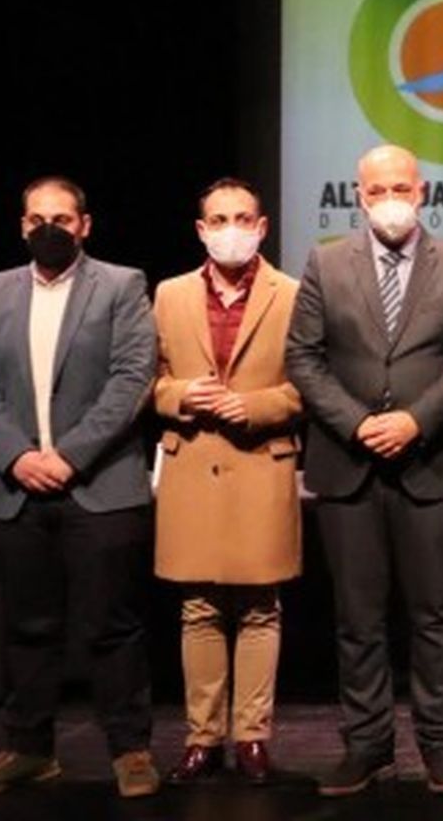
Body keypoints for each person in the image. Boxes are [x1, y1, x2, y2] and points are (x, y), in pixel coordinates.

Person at [284, 144, 443, 797]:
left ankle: (440, 746)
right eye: (378, 189)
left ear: (421, 191)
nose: (391, 197)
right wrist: (357, 422)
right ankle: (366, 746)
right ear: (359, 196)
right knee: (358, 618)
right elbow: (304, 357)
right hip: (349, 465)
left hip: (430, 461)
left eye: (402, 186)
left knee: (436, 615)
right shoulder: (324, 261)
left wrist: (415, 420)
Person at [0, 177, 160, 799]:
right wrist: (17, 455)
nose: (51, 228)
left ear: (85, 226)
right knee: (27, 626)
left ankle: (130, 751)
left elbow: (132, 379)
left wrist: (68, 457)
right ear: (22, 226)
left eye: (63, 219)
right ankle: (27, 748)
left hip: (98, 486)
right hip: (16, 488)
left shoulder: (122, 285)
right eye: (38, 218)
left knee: (111, 626)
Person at [151, 178, 304, 786]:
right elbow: (146, 378)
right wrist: (179, 394)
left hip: (260, 459)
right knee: (199, 607)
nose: (231, 228)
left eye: (243, 218)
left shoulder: (292, 295)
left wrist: (261, 406)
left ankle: (252, 737)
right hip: (192, 461)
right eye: (219, 219)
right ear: (201, 229)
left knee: (261, 606)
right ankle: (202, 737)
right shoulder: (168, 295)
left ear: (262, 227)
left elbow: (309, 383)